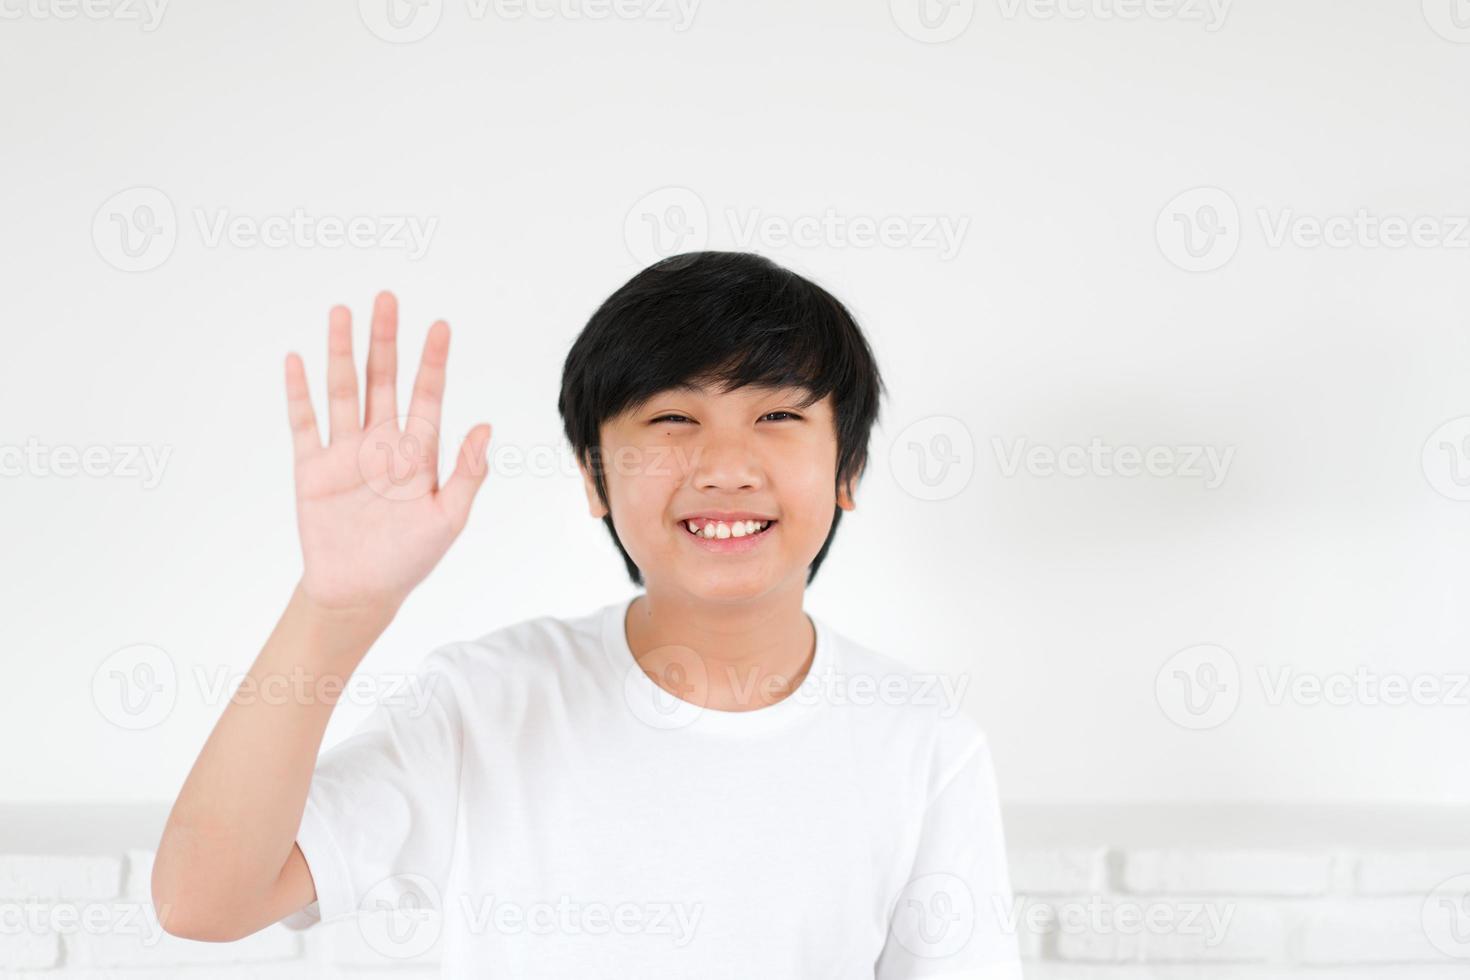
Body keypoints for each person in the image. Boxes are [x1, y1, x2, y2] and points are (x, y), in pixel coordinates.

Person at [150, 251, 1025, 978]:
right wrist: (337, 610)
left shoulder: (923, 745)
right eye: (674, 416)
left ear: (848, 471)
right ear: (594, 476)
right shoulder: (484, 703)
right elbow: (203, 900)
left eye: (779, 415)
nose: (725, 465)